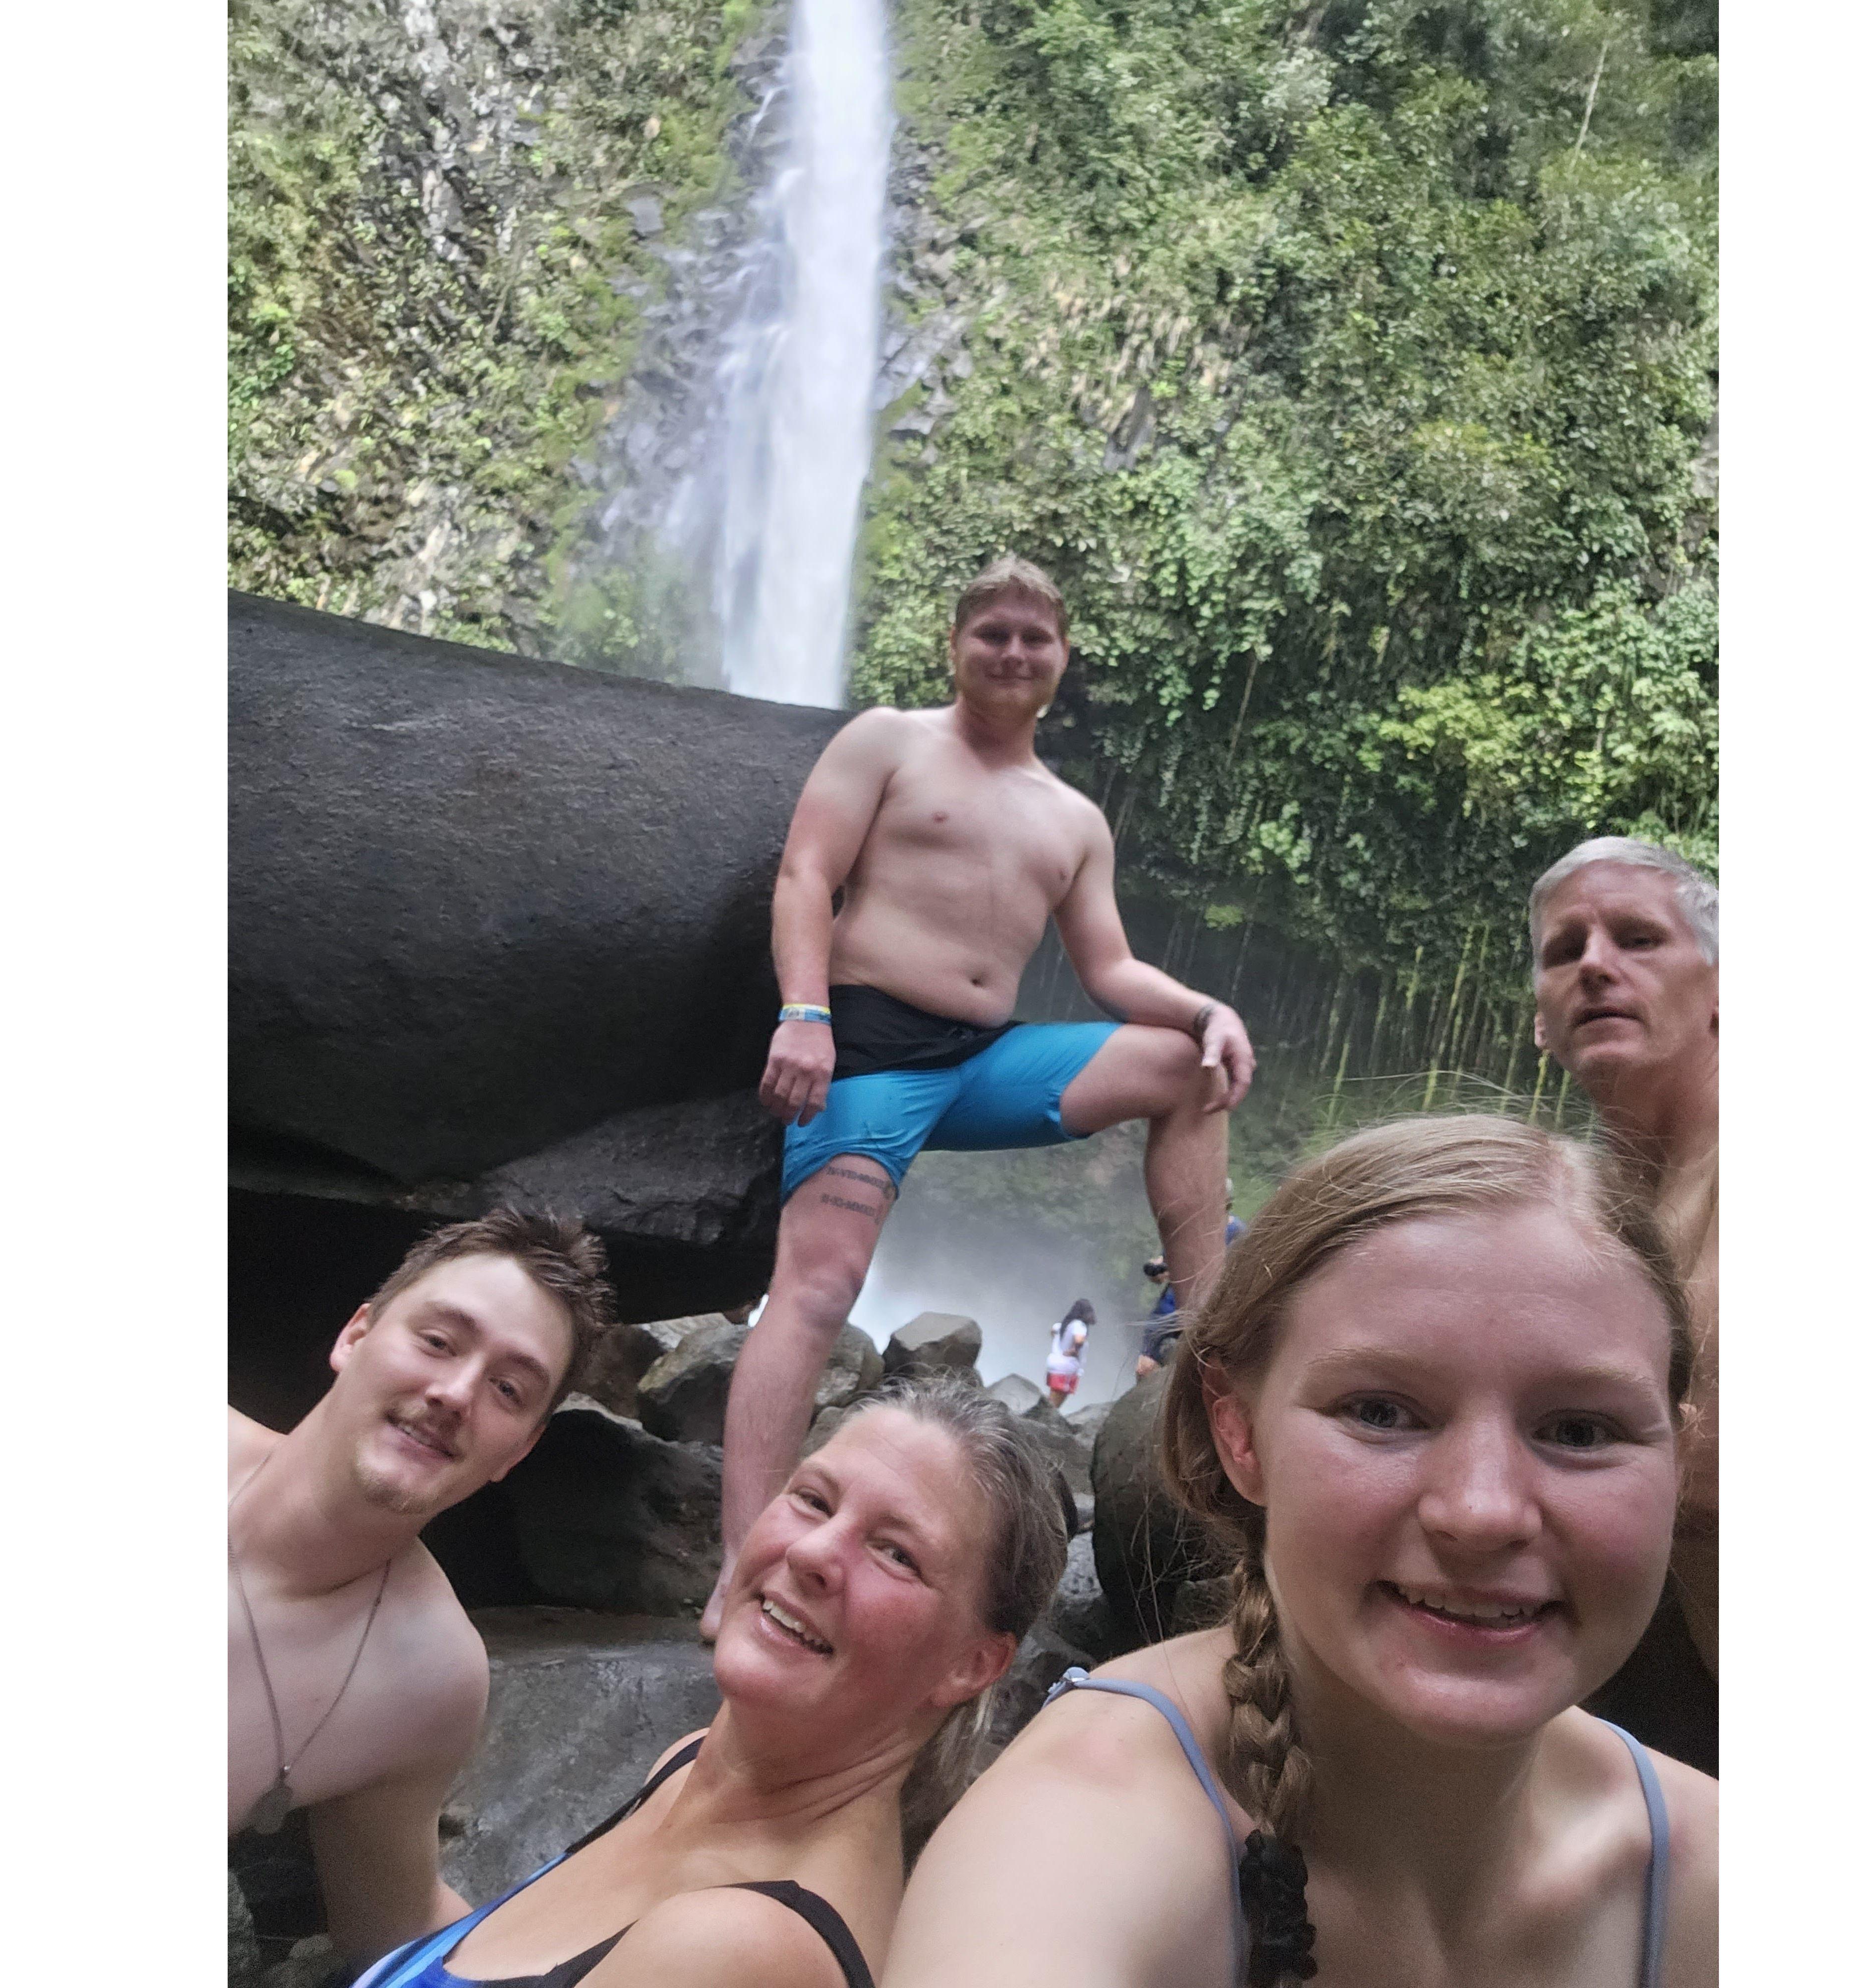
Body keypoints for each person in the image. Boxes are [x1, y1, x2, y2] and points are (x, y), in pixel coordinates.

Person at [882, 1116, 1718, 1988]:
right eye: (1382, 1413)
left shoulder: (1714, 1876)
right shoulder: (1068, 1837)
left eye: (1580, 1430)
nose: (1481, 1511)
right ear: (1237, 1430)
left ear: (1678, 1453)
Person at [706, 554, 1257, 1635]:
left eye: (1033, 637)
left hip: (985, 1056)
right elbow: (804, 875)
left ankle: (1207, 1321)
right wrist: (803, 1013)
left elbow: (1108, 970)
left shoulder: (1071, 817)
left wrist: (1202, 1010)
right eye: (991, 632)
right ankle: (739, 1561)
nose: (1011, 651)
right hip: (867, 1050)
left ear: (1062, 658)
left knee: (1185, 1066)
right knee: (815, 1290)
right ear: (954, 644)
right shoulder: (887, 741)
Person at [354, 1377, 1070, 1988]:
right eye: (814, 1500)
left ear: (971, 1665)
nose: (815, 1551)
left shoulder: (739, 1948)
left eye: (895, 1553)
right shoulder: (690, 1763)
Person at [230, 1207, 615, 1964]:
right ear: (357, 1335)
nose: (456, 1393)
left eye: (508, 1389)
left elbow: (394, 1928)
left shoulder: (427, 1678)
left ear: (521, 1451)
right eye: (438, 1343)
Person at [1531, 836, 1718, 1770]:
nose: (1596, 964)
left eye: (1638, 938)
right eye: (1566, 951)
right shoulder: (1577, 1208)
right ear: (1540, 1021)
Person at [1135, 1181, 1245, 1377]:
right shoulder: (1187, 1229)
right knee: (1145, 1369)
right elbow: (1163, 1270)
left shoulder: (1237, 1234)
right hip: (1170, 1309)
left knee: (1198, 1374)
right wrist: (1157, 1270)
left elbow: (1240, 1278)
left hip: (1208, 1314)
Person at [1046, 1300, 1093, 1403]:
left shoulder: (1063, 1326)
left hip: (1054, 1364)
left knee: (1052, 1397)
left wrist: (1060, 1345)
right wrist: (1074, 1351)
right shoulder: (1079, 1325)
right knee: (1055, 1404)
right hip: (1067, 1367)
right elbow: (1079, 1339)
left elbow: (1053, 1331)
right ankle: (1041, 1418)